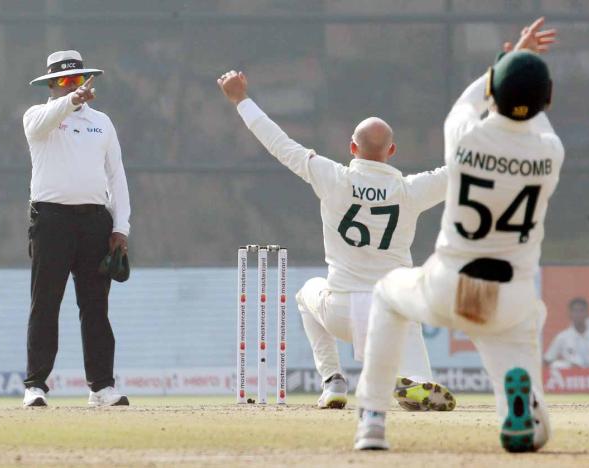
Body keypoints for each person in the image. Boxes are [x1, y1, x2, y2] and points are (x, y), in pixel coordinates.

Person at [354, 17, 562, 452]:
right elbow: (529, 112)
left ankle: (372, 419)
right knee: (537, 431)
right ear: (547, 101)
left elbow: (473, 97)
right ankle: (516, 407)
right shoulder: (549, 151)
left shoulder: (464, 138)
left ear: (497, 92)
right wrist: (522, 70)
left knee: (387, 294)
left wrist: (509, 58)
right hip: (509, 297)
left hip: (448, 285)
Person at [218, 71, 455, 411]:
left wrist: (241, 100)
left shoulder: (333, 177)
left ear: (352, 148)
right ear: (392, 150)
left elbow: (280, 144)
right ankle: (415, 381)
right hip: (391, 314)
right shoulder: (412, 189)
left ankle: (333, 381)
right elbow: (464, 170)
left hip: (341, 312)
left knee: (305, 294)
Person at [22, 50, 131, 407]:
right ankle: (35, 384)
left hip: (94, 222)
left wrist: (121, 226)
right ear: (51, 84)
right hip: (51, 220)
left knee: (95, 306)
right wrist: (71, 100)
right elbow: (45, 122)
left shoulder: (102, 122)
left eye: (79, 79)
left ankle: (101, 386)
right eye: (65, 81)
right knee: (46, 303)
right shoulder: (38, 116)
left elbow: (116, 176)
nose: (74, 86)